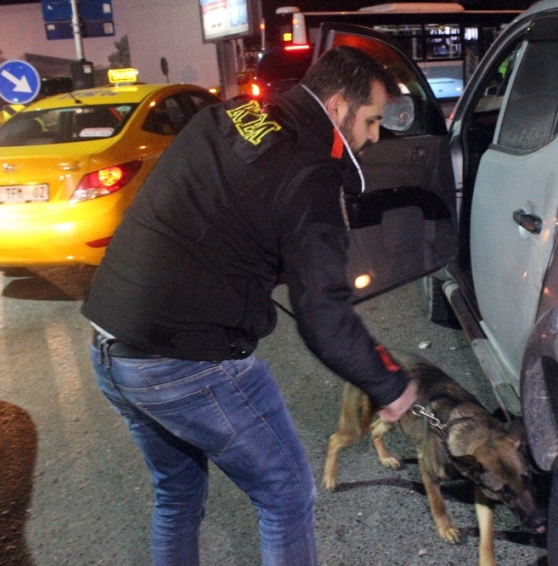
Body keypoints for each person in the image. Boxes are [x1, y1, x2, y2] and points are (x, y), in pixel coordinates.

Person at [81, 46, 418, 566]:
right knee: (285, 494)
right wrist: (389, 384)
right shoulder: (310, 176)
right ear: (336, 105)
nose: (375, 136)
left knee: (178, 490)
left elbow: (219, 207)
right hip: (183, 364)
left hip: (111, 343)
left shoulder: (233, 113)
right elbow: (322, 313)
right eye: (372, 120)